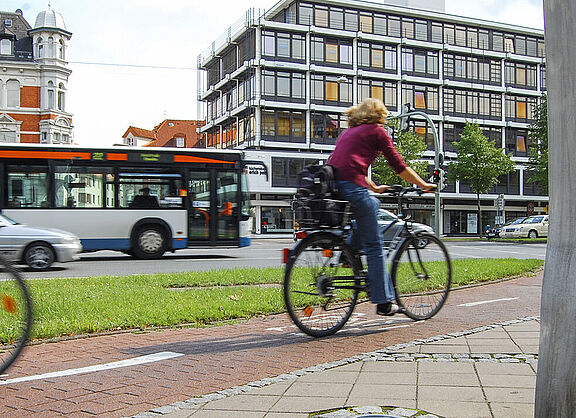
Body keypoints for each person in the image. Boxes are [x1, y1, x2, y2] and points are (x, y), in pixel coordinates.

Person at [327, 98, 435, 316]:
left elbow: (347, 166)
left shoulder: (348, 133)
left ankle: (348, 254)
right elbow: (398, 165)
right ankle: (384, 302)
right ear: (379, 115)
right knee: (375, 247)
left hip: (334, 185)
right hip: (352, 188)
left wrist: (374, 187)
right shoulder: (376, 132)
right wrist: (423, 185)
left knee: (372, 203)